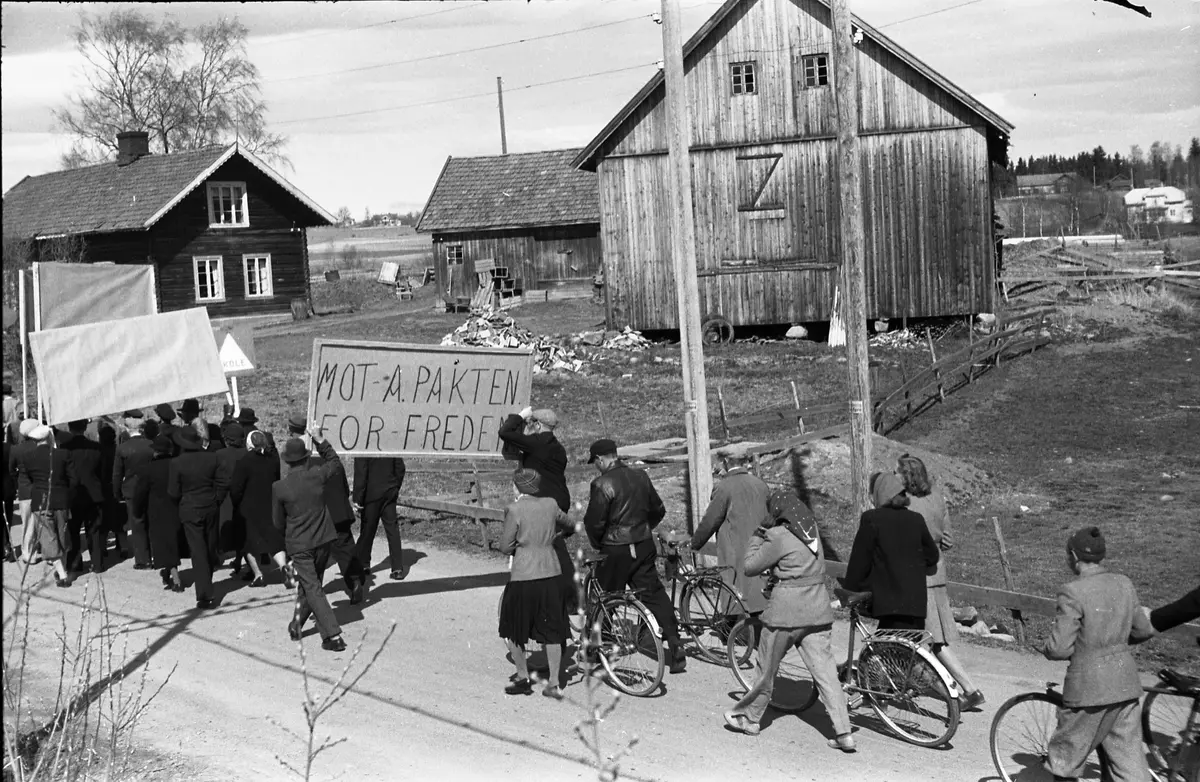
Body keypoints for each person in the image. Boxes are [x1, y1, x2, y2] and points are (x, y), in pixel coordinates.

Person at [723, 488, 854, 751]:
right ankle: (844, 733)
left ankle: (749, 719)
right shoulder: (812, 532)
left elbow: (750, 566)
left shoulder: (778, 535)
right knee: (826, 674)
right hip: (817, 610)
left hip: (785, 613)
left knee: (766, 669)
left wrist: (760, 533)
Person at [1040, 526, 1153, 782]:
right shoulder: (1123, 583)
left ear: (1073, 556)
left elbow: (1059, 648)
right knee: (1128, 764)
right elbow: (1143, 630)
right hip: (1125, 685)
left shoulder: (1073, 591)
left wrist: (1047, 648)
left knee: (1064, 760)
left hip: (1089, 691)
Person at [582, 438, 686, 674]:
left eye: (595, 462)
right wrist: (642, 529)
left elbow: (594, 522)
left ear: (600, 459)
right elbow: (658, 509)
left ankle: (597, 648)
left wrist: (600, 544)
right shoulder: (641, 476)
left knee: (603, 596)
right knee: (654, 593)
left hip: (616, 548)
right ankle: (675, 642)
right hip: (642, 544)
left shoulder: (601, 484)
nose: (595, 466)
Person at [897, 453, 985, 712]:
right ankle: (959, 688)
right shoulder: (936, 496)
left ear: (906, 476)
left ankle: (964, 690)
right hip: (936, 572)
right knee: (933, 638)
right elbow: (947, 540)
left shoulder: (904, 503)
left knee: (929, 640)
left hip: (916, 576)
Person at [498, 468, 575, 698]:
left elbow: (505, 546)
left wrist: (519, 548)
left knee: (514, 627)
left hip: (524, 575)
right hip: (551, 573)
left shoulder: (514, 509)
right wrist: (554, 537)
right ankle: (553, 682)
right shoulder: (550, 504)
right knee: (553, 629)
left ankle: (522, 677)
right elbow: (570, 524)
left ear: (517, 487)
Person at [273, 427, 348, 652]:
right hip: (324, 539)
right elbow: (335, 462)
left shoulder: (279, 488)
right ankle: (297, 625)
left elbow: (277, 522)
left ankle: (333, 635)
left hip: (300, 544)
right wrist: (320, 440)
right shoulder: (316, 475)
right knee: (311, 586)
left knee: (312, 587)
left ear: (286, 462)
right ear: (306, 458)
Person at [498, 407, 575, 613]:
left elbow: (505, 432)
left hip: (543, 504)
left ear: (538, 425)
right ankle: (570, 597)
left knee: (540, 544)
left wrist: (519, 417)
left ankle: (557, 596)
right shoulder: (558, 448)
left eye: (532, 424)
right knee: (555, 545)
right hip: (560, 501)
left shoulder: (536, 444)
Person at [842, 472, 939, 631]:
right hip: (916, 606)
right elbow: (932, 556)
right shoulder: (916, 519)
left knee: (881, 653)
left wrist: (848, 592)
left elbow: (859, 563)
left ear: (881, 494)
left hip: (889, 605)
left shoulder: (872, 519)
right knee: (901, 653)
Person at [289, 412, 366, 602]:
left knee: (317, 557)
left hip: (319, 516)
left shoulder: (302, 463)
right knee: (346, 549)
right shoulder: (328, 458)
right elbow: (341, 480)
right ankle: (355, 581)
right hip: (339, 511)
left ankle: (313, 593)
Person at [690, 452, 771, 617]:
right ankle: (759, 626)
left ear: (725, 462)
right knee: (758, 588)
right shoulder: (761, 485)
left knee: (734, 588)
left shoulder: (724, 487)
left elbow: (710, 521)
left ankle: (737, 630)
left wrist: (695, 543)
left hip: (735, 547)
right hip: (761, 543)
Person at [168, 427, 227, 609]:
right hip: (210, 505)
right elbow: (223, 481)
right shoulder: (212, 457)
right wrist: (217, 499)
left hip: (190, 507)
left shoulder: (177, 463)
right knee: (209, 547)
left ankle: (205, 593)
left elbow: (173, 491)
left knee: (198, 550)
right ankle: (206, 584)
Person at [230, 429, 294, 588]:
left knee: (248, 541)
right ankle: (284, 567)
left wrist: (236, 503)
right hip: (269, 502)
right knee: (274, 539)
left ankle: (258, 575)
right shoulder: (273, 459)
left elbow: (236, 488)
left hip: (249, 507)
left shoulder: (244, 461)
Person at [22, 423, 76, 587]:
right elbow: (74, 479)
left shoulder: (28, 457)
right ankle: (63, 572)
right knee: (62, 536)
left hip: (41, 501)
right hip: (61, 500)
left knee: (48, 538)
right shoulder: (63, 454)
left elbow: (31, 480)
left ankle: (62, 572)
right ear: (49, 437)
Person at [132, 434, 185, 592]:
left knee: (163, 545)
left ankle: (176, 579)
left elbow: (140, 493)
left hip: (157, 511)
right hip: (177, 508)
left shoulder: (148, 469)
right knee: (171, 543)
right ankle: (168, 572)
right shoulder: (176, 464)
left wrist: (137, 510)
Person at [62, 419, 107, 574]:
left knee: (74, 530)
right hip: (94, 492)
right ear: (85, 426)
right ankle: (97, 563)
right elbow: (103, 473)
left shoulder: (64, 448)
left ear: (69, 427)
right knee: (94, 530)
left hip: (73, 495)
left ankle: (75, 563)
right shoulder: (96, 447)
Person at [352, 454, 407, 580]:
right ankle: (397, 568)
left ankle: (364, 564)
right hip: (389, 490)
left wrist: (357, 499)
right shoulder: (388, 441)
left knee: (368, 529)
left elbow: (361, 473)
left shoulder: (363, 447)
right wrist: (395, 487)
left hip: (371, 493)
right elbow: (400, 467)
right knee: (392, 529)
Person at [113, 414, 157, 569]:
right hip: (151, 487)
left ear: (127, 429)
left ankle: (143, 559)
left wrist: (116, 493)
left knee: (137, 524)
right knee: (152, 521)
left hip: (131, 489)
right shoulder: (151, 444)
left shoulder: (122, 448)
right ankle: (155, 554)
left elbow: (117, 474)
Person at [215, 422, 251, 578]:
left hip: (226, 497)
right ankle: (239, 559)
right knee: (243, 531)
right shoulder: (248, 454)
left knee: (227, 529)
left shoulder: (220, 455)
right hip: (245, 496)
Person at [10, 419, 40, 562]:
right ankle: (48, 552)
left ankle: (28, 553)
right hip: (40, 489)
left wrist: (18, 481)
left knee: (26, 522)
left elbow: (11, 470)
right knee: (43, 522)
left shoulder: (16, 449)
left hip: (24, 490)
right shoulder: (40, 447)